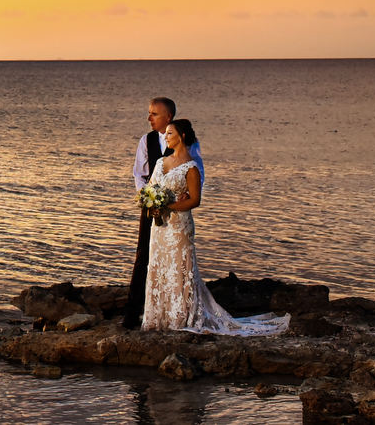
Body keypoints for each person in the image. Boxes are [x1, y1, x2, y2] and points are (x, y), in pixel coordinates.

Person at [141, 120, 288, 335]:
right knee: (158, 266)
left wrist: (169, 204)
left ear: (181, 136)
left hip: (179, 227)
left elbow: (195, 200)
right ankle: (158, 316)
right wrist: (152, 204)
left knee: (179, 269)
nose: (166, 137)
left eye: (170, 133)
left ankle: (181, 317)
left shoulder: (191, 167)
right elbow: (151, 188)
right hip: (160, 226)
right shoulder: (160, 162)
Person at [122, 96, 201, 328]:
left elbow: (197, 169)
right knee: (144, 256)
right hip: (151, 208)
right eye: (149, 113)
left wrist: (187, 193)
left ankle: (178, 310)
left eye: (154, 114)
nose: (149, 118)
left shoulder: (189, 142)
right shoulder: (146, 141)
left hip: (177, 210)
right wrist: (148, 198)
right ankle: (133, 312)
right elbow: (139, 173)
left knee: (176, 259)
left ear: (168, 117)